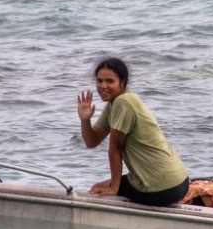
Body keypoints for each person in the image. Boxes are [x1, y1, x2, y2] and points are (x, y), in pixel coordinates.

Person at [76, 57, 189, 207]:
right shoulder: (115, 104)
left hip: (161, 187)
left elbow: (115, 148)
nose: (103, 86)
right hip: (180, 183)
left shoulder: (123, 103)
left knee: (98, 189)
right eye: (99, 81)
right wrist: (85, 120)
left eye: (110, 81)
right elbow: (92, 141)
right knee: (104, 186)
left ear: (122, 83)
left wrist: (114, 188)